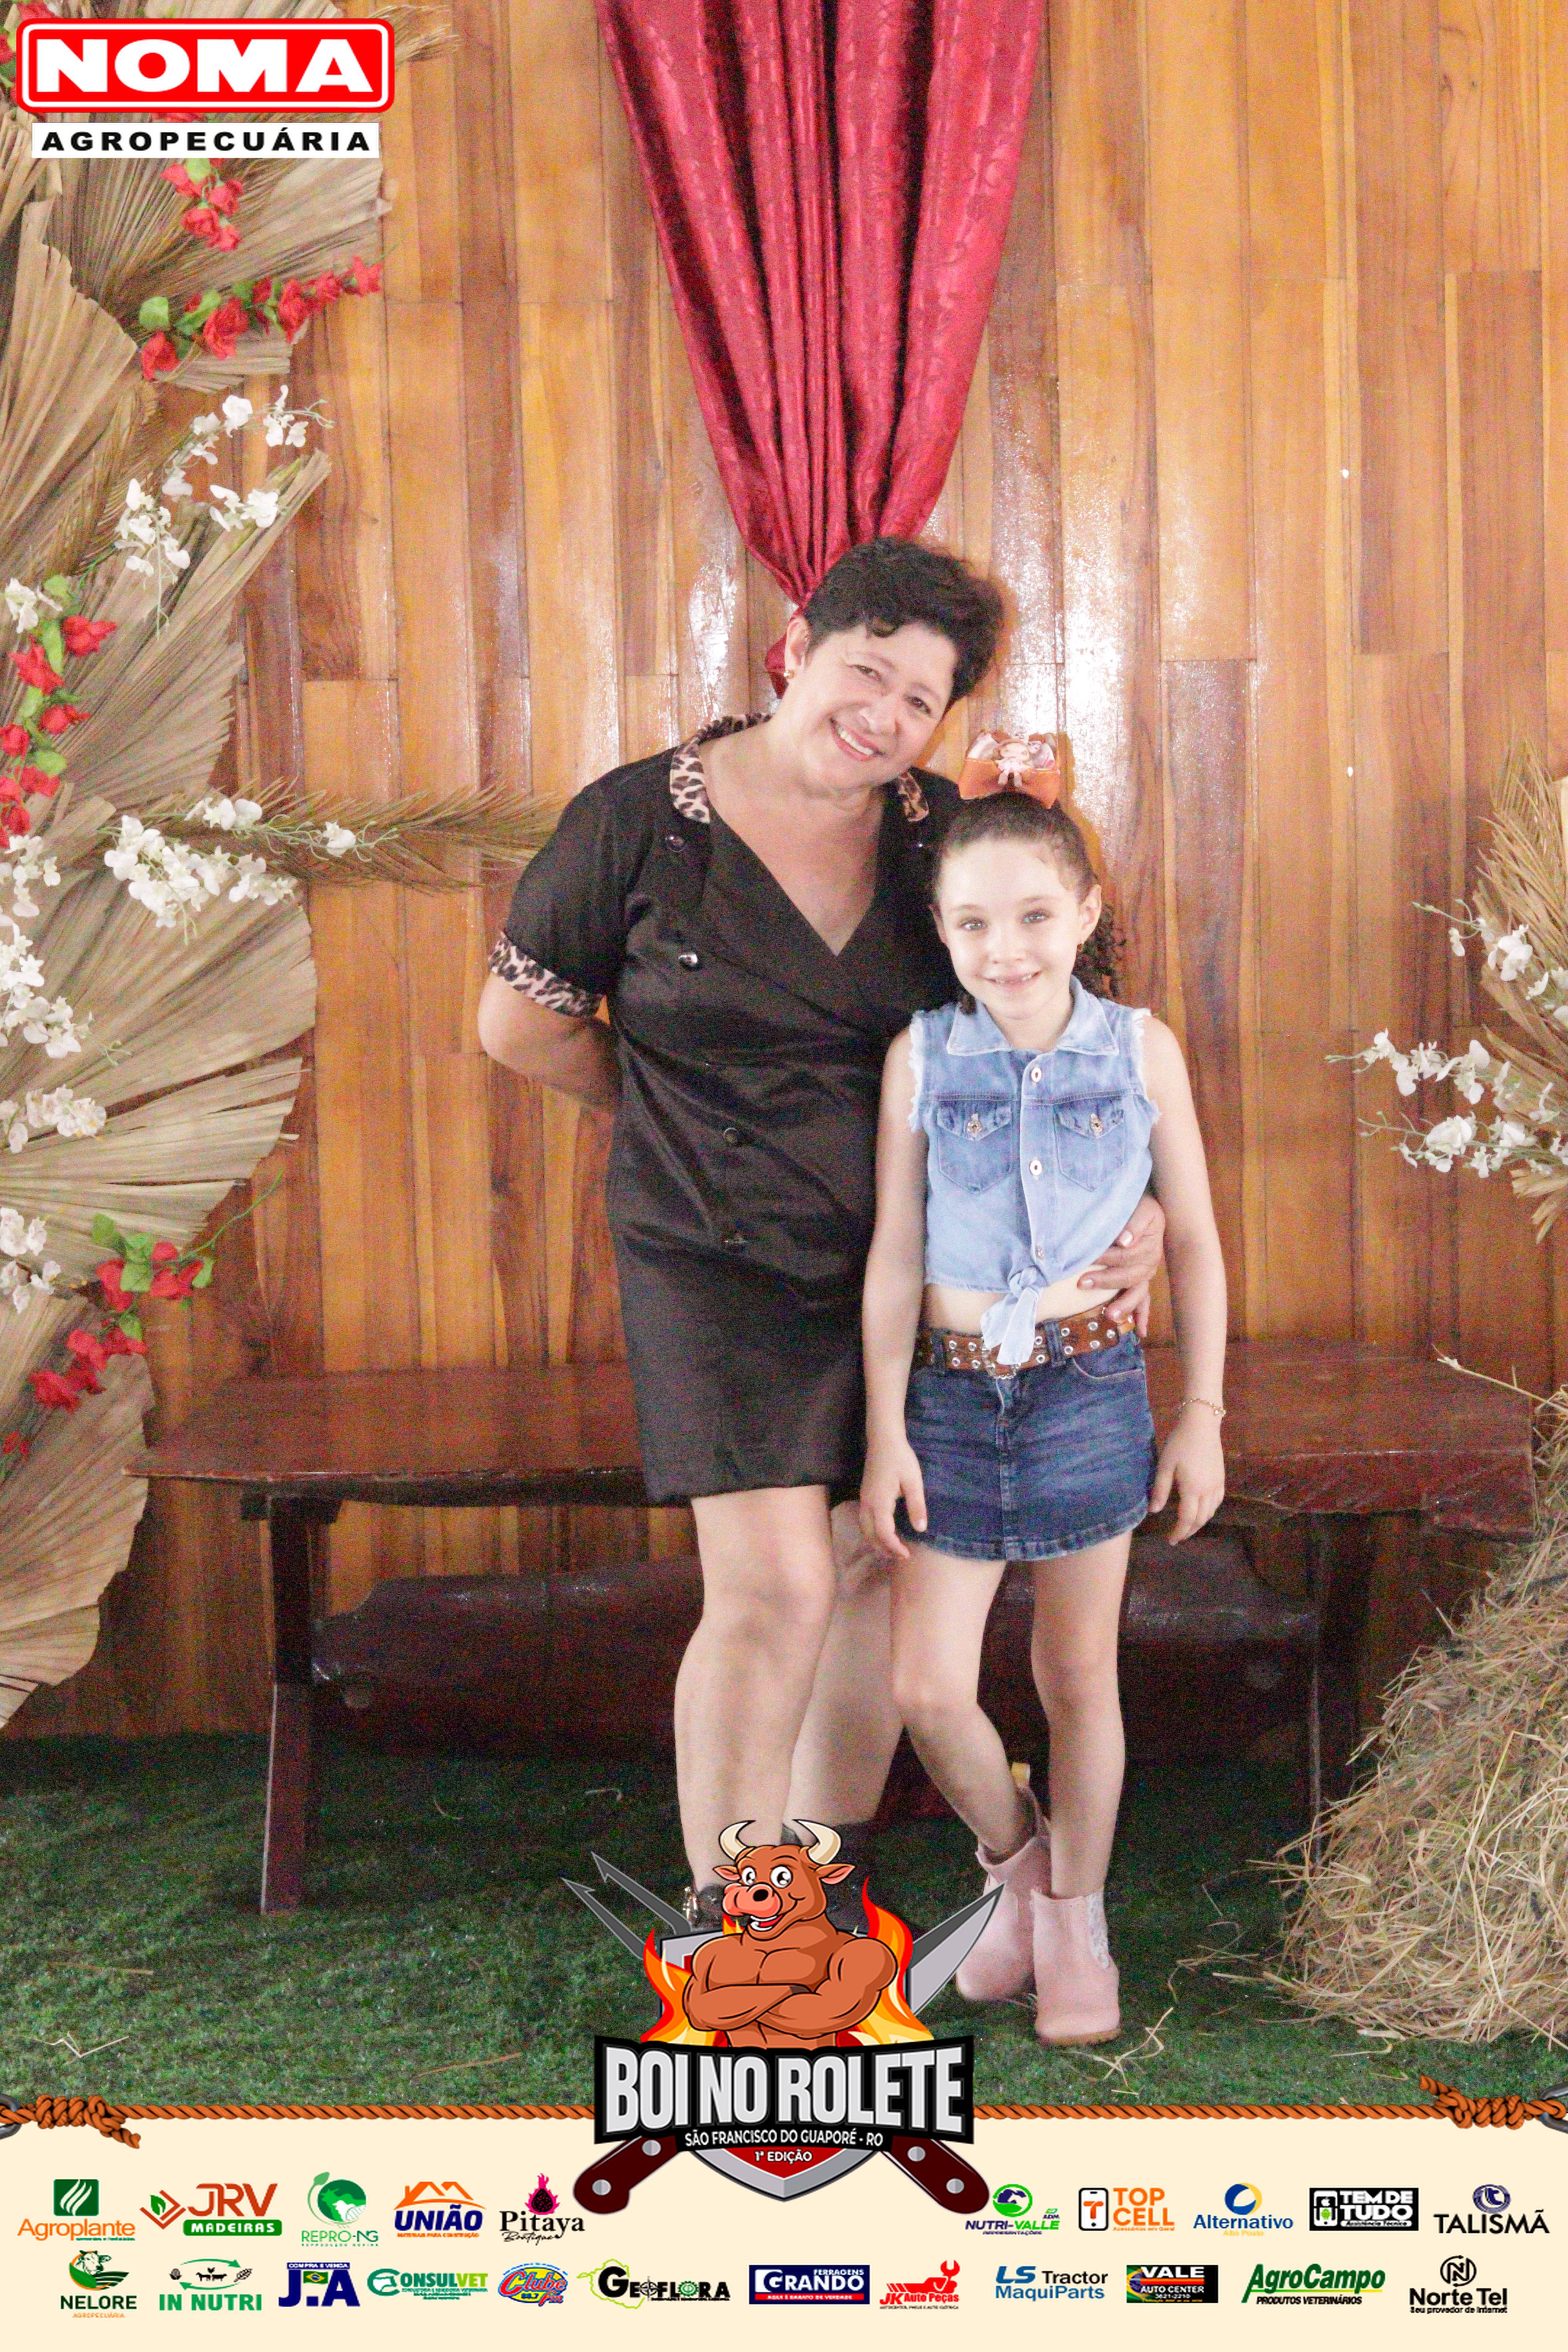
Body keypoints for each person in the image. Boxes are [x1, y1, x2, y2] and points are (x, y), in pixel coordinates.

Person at [476, 537, 1166, 1922]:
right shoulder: (633, 821)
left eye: (921, 700)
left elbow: (1068, 1028)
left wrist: (1133, 1201)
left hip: (917, 1261)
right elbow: (517, 1025)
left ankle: (817, 1873)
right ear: (798, 646)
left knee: (868, 1555)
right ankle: (732, 1916)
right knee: (776, 1585)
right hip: (708, 1254)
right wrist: (674, 1112)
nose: (884, 716)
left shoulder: (944, 837)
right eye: (867, 671)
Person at [859, 789, 1226, 2043]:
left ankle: (1077, 1920)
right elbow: (894, 1257)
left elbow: (1198, 1243)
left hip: (1088, 1389)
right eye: (972, 922)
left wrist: (1201, 1414)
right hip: (947, 1402)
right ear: (941, 930)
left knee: (1075, 1674)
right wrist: (886, 1430)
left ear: (1084, 913)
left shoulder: (1140, 1051)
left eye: (1031, 916)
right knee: (927, 1686)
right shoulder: (921, 1057)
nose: (1004, 948)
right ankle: (1017, 1868)